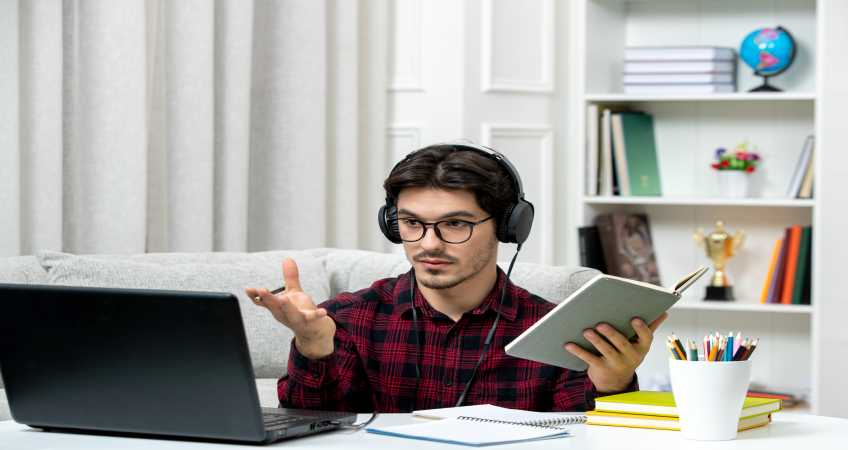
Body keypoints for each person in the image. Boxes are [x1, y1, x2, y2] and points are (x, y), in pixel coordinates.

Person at [245, 143, 667, 412]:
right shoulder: (346, 320)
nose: (428, 244)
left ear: (507, 227)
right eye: (412, 223)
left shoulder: (558, 333)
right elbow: (309, 431)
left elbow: (593, 439)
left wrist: (612, 386)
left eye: (455, 224)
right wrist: (315, 349)